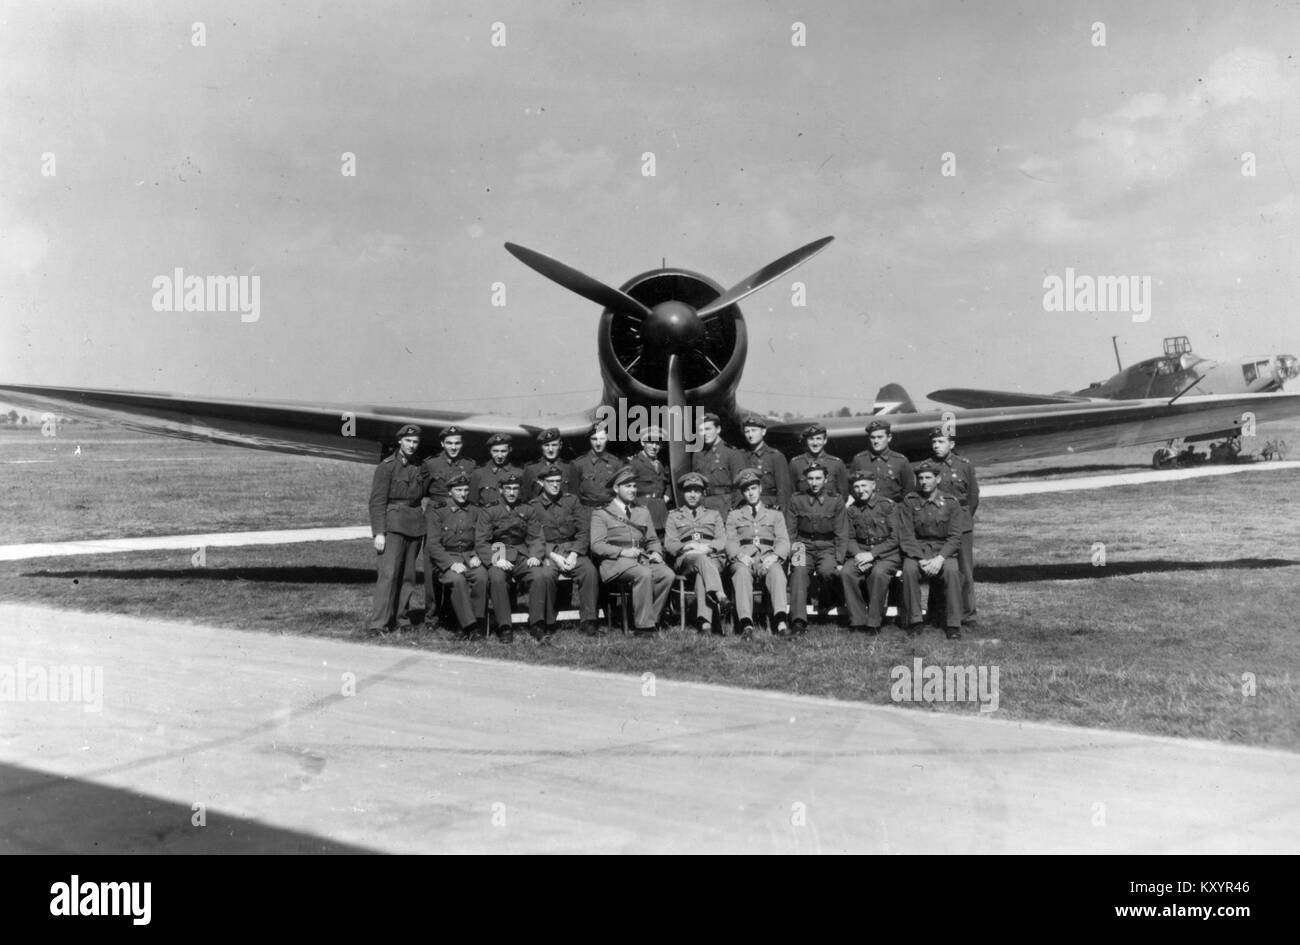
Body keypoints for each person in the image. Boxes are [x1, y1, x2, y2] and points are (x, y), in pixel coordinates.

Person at [589, 465, 675, 636]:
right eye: (627, 486)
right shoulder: (602, 513)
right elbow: (597, 545)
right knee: (643, 574)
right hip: (615, 563)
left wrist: (657, 552)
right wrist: (622, 552)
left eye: (634, 486)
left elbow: (652, 540)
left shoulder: (642, 511)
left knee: (667, 575)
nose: (633, 490)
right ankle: (644, 627)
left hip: (640, 559)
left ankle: (651, 619)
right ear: (616, 488)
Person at [366, 424, 428, 634]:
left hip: (414, 525)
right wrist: (379, 532)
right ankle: (379, 623)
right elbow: (377, 501)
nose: (412, 445)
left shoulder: (419, 466)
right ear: (400, 441)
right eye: (408, 441)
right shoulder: (387, 466)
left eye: (415, 442)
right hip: (392, 526)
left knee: (408, 577)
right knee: (388, 575)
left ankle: (402, 619)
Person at [529, 464, 601, 639]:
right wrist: (553, 556)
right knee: (546, 574)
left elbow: (583, 531)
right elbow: (533, 537)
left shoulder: (572, 501)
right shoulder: (533, 506)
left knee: (589, 571)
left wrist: (575, 553)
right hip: (549, 551)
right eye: (550, 481)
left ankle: (588, 620)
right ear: (541, 482)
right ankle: (547, 621)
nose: (555, 485)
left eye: (558, 481)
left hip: (572, 549)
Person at [898, 460, 965, 639]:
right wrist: (920, 559)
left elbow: (955, 537)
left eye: (928, 477)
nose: (924, 481)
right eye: (920, 478)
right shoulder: (910, 502)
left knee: (952, 572)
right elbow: (906, 535)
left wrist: (940, 559)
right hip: (917, 550)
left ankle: (953, 624)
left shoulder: (951, 503)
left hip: (943, 551)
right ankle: (915, 621)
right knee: (909, 570)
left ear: (938, 478)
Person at [474, 473, 542, 643]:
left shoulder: (527, 509)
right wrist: (495, 559)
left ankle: (537, 623)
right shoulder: (490, 510)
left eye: (515, 489)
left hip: (521, 552)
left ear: (520, 490)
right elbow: (481, 541)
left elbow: (535, 537)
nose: (512, 493)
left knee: (538, 575)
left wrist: (535, 555)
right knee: (497, 577)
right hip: (499, 550)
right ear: (501, 490)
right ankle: (504, 626)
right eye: (508, 489)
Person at [784, 463, 849, 633]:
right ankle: (798, 620)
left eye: (818, 478)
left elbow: (842, 532)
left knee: (828, 571)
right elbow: (790, 531)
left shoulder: (836, 500)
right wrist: (793, 552)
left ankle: (827, 600)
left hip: (827, 545)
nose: (814, 482)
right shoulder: (796, 499)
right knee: (798, 570)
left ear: (825, 479)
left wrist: (840, 559)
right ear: (806, 479)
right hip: (801, 545)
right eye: (810, 478)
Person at [725, 468, 791, 636]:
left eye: (754, 488)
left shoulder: (775, 514)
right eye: (746, 490)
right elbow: (730, 540)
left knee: (776, 571)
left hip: (767, 557)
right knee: (740, 573)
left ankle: (781, 622)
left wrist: (775, 556)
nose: (751, 493)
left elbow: (783, 540)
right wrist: (739, 555)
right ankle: (747, 624)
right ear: (742, 493)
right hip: (744, 558)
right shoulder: (734, 515)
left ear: (760, 489)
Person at [925, 427, 980, 625]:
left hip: (961, 525)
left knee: (964, 571)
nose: (936, 446)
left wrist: (962, 519)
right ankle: (937, 614)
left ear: (952, 444)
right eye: (934, 442)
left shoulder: (964, 465)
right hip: (936, 527)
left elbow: (973, 497)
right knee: (938, 569)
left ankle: (967, 615)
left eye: (941, 441)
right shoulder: (927, 466)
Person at [425, 472, 488, 638]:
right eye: (458, 490)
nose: (463, 494)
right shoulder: (438, 511)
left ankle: (477, 620)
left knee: (481, 576)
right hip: (446, 560)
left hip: (469, 557)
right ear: (450, 491)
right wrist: (451, 564)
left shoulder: (475, 510)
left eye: (466, 490)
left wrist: (478, 556)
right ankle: (468, 626)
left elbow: (482, 537)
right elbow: (433, 544)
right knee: (457, 579)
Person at [663, 471, 728, 632]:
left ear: (702, 493)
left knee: (702, 573)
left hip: (711, 556)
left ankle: (704, 623)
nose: (692, 495)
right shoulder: (673, 516)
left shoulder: (714, 514)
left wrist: (707, 547)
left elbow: (722, 540)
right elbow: (669, 544)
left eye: (696, 491)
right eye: (688, 491)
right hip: (686, 560)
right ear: (683, 493)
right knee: (699, 559)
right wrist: (688, 547)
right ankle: (720, 594)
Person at [840, 471, 902, 633]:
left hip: (887, 554)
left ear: (873, 485)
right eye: (856, 487)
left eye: (864, 485)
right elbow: (849, 538)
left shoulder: (888, 506)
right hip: (861, 552)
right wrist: (858, 554)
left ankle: (874, 622)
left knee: (878, 573)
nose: (860, 490)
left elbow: (895, 538)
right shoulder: (852, 510)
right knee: (847, 572)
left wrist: (872, 555)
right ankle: (858, 620)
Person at [690, 412, 744, 516]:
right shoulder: (697, 454)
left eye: (708, 429)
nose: (704, 433)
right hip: (702, 509)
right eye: (700, 430)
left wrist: (736, 513)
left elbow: (740, 487)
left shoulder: (732, 453)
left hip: (724, 510)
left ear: (718, 429)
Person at [850, 419, 916, 502]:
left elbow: (909, 490)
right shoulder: (859, 460)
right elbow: (851, 487)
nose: (876, 441)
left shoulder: (901, 461)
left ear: (889, 438)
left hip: (893, 511)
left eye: (880, 437)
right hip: (866, 511)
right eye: (872, 437)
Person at [738, 414, 793, 510]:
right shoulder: (740, 456)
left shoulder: (776, 457)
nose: (750, 435)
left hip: (769, 508)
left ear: (763, 432)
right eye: (747, 431)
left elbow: (784, 493)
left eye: (754, 430)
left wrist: (781, 517)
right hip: (746, 509)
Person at [568, 422, 621, 509]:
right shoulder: (578, 464)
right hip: (587, 511)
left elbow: (621, 493)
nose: (598, 443)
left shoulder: (616, 463)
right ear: (589, 440)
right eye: (594, 439)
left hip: (611, 511)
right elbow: (573, 496)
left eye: (602, 438)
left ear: (607, 438)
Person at [629, 426, 672, 532]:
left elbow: (667, 483)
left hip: (661, 509)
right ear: (643, 443)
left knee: (662, 541)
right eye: (651, 442)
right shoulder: (634, 463)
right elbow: (626, 488)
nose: (654, 447)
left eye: (658, 443)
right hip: (643, 509)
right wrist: (637, 508)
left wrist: (667, 495)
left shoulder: (660, 464)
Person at [423, 425, 477, 509]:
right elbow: (421, 492)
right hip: (437, 510)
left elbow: (473, 493)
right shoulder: (430, 463)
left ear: (462, 443)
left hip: (460, 510)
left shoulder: (470, 464)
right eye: (449, 443)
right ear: (442, 443)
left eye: (457, 443)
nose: (453, 447)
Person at [789, 423, 849, 498]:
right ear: (806, 441)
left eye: (818, 438)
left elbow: (843, 495)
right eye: (811, 439)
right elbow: (791, 493)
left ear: (825, 440)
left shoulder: (836, 463)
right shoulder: (795, 463)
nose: (815, 443)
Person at [470, 433, 524, 507]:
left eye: (503, 451)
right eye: (495, 451)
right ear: (489, 450)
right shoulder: (478, 474)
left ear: (510, 450)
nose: (499, 456)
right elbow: (473, 503)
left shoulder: (519, 473)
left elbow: (524, 503)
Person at [522, 427, 571, 499]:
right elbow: (525, 498)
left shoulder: (569, 467)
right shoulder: (531, 469)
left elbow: (575, 497)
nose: (550, 450)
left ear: (560, 445)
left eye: (554, 445)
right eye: (546, 445)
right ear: (541, 447)